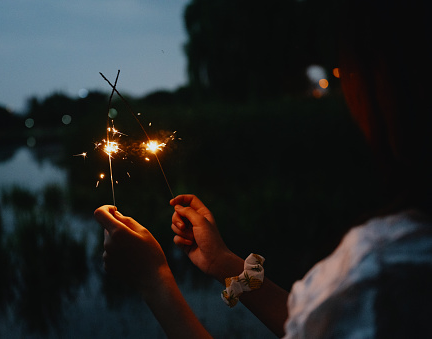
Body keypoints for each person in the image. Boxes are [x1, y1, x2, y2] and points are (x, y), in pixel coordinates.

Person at [95, 0, 432, 337]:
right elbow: (315, 326)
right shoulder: (398, 266)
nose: (346, 88)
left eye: (351, 70)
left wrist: (154, 280)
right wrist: (223, 262)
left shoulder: (384, 272)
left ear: (392, 87)